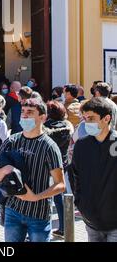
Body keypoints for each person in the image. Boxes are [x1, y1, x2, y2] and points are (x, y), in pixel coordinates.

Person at [0, 98, 65, 243]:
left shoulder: (49, 146)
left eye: (30, 112)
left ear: (43, 117)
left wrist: (36, 197)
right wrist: (6, 169)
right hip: (13, 211)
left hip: (38, 214)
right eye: (23, 112)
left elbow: (61, 185)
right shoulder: (12, 141)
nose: (24, 116)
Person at [69, 97, 117, 242]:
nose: (86, 123)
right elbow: (74, 176)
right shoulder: (82, 145)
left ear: (106, 118)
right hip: (91, 221)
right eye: (84, 118)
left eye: (91, 118)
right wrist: (80, 203)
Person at [44, 101, 74, 237]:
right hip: (62, 164)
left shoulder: (44, 129)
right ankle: (64, 227)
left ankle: (44, 230)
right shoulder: (68, 127)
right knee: (60, 196)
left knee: (46, 198)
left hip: (46, 167)